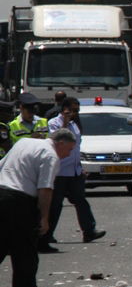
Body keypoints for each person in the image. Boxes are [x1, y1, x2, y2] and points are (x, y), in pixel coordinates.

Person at [0, 128, 76, 287]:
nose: (68, 155)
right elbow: (45, 188)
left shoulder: (24, 142)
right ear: (60, 143)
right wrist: (44, 217)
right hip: (19, 201)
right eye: (69, 150)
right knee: (25, 252)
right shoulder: (50, 155)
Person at [44, 97, 105, 251]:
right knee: (55, 205)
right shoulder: (54, 123)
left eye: (77, 110)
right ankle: (47, 234)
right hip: (60, 171)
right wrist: (64, 121)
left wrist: (80, 167)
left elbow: (76, 148)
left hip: (75, 171)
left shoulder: (75, 125)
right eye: (72, 110)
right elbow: (57, 139)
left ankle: (89, 231)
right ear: (64, 109)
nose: (75, 113)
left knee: (80, 201)